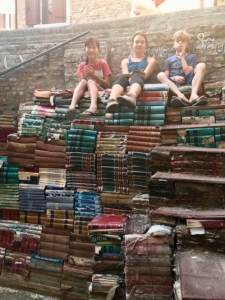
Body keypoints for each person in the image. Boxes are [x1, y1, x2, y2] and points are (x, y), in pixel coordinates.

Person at [106, 32, 156, 113]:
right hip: (128, 82)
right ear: (132, 44)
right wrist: (131, 78)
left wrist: (133, 77)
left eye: (142, 42)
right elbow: (126, 76)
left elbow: (145, 75)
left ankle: (131, 96)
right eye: (136, 42)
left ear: (145, 45)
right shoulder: (125, 61)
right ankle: (112, 100)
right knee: (121, 77)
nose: (139, 44)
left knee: (138, 75)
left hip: (141, 85)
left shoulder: (150, 60)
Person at [157, 30, 207, 107]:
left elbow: (188, 72)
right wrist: (175, 78)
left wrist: (182, 57)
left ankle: (193, 95)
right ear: (173, 45)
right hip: (174, 83)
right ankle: (180, 95)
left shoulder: (191, 56)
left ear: (187, 44)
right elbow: (166, 78)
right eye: (177, 41)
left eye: (183, 41)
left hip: (188, 79)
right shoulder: (169, 60)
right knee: (160, 75)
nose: (180, 43)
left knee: (202, 65)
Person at [66, 37, 111, 120]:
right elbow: (82, 84)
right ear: (85, 49)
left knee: (90, 81)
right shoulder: (82, 65)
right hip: (87, 90)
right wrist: (82, 79)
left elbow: (107, 84)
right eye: (89, 47)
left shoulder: (103, 63)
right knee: (83, 81)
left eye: (94, 47)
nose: (91, 50)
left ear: (98, 50)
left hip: (100, 89)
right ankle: (72, 107)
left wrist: (94, 76)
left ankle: (93, 107)